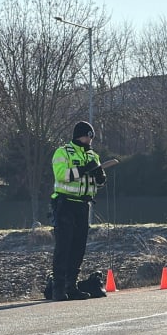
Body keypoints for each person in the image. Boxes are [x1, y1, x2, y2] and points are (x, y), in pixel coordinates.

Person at [49, 121, 107, 301]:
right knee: (64, 246)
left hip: (83, 205)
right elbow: (61, 175)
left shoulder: (93, 155)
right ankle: (58, 289)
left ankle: (71, 286)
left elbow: (97, 182)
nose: (90, 140)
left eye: (92, 137)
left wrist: (100, 177)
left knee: (78, 247)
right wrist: (83, 170)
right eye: (88, 136)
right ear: (80, 135)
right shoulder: (63, 152)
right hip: (65, 204)